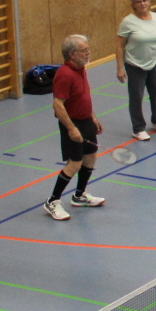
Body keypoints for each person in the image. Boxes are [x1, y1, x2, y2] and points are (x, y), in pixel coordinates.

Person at [44, 35, 106, 221]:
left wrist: (92, 117)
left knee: (90, 156)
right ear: (71, 54)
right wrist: (71, 129)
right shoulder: (65, 74)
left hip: (85, 121)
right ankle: (52, 201)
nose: (88, 53)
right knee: (74, 163)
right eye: (83, 50)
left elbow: (81, 97)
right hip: (72, 123)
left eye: (87, 49)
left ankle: (79, 195)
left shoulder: (80, 69)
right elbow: (58, 105)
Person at [116, 0, 156, 141]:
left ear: (149, 1)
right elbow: (119, 46)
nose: (142, 4)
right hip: (134, 64)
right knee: (136, 96)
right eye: (138, 2)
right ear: (133, 4)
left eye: (144, 0)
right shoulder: (128, 22)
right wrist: (120, 68)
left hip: (153, 62)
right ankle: (138, 128)